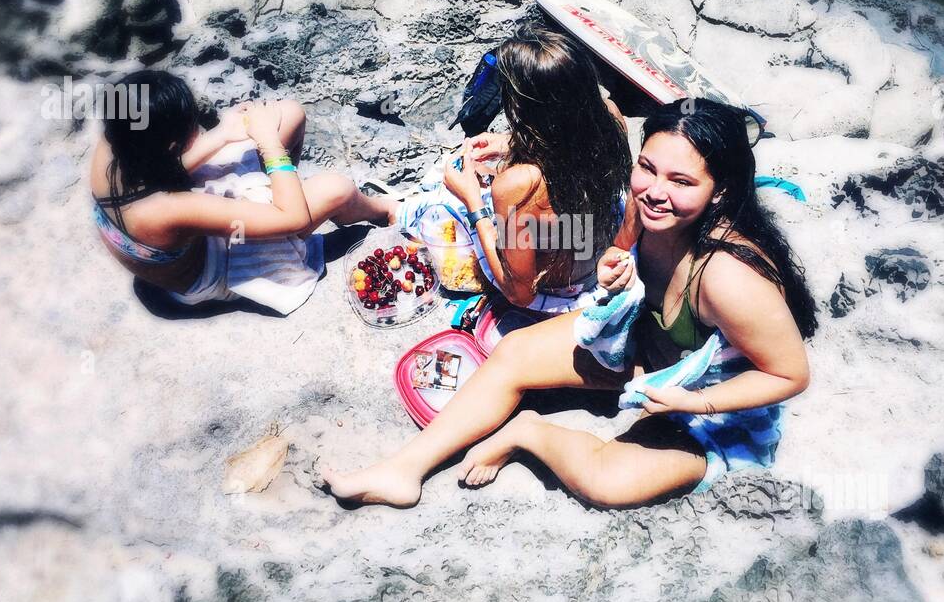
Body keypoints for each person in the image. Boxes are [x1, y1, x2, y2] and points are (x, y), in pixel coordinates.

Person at [318, 97, 817, 508]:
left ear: (720, 191)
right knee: (512, 354)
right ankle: (402, 471)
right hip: (639, 352)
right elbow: (601, 136)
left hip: (705, 401)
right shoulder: (645, 210)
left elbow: (789, 375)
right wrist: (612, 271)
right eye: (647, 168)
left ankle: (527, 433)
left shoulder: (730, 274)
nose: (655, 192)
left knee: (608, 483)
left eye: (682, 182)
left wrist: (694, 400)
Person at [89, 70, 396, 313]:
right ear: (172, 147)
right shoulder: (165, 211)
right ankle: (384, 210)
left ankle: (281, 189)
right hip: (210, 271)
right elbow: (294, 218)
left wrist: (222, 135)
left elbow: (158, 174)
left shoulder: (114, 143)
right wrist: (267, 142)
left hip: (174, 220)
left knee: (290, 113)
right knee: (336, 189)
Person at [399, 24, 636, 314]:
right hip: (595, 242)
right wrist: (509, 143)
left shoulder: (519, 185)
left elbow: (519, 293)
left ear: (522, 108)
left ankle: (391, 211)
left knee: (441, 198)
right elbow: (574, 144)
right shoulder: (610, 116)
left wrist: (473, 202)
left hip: (563, 277)